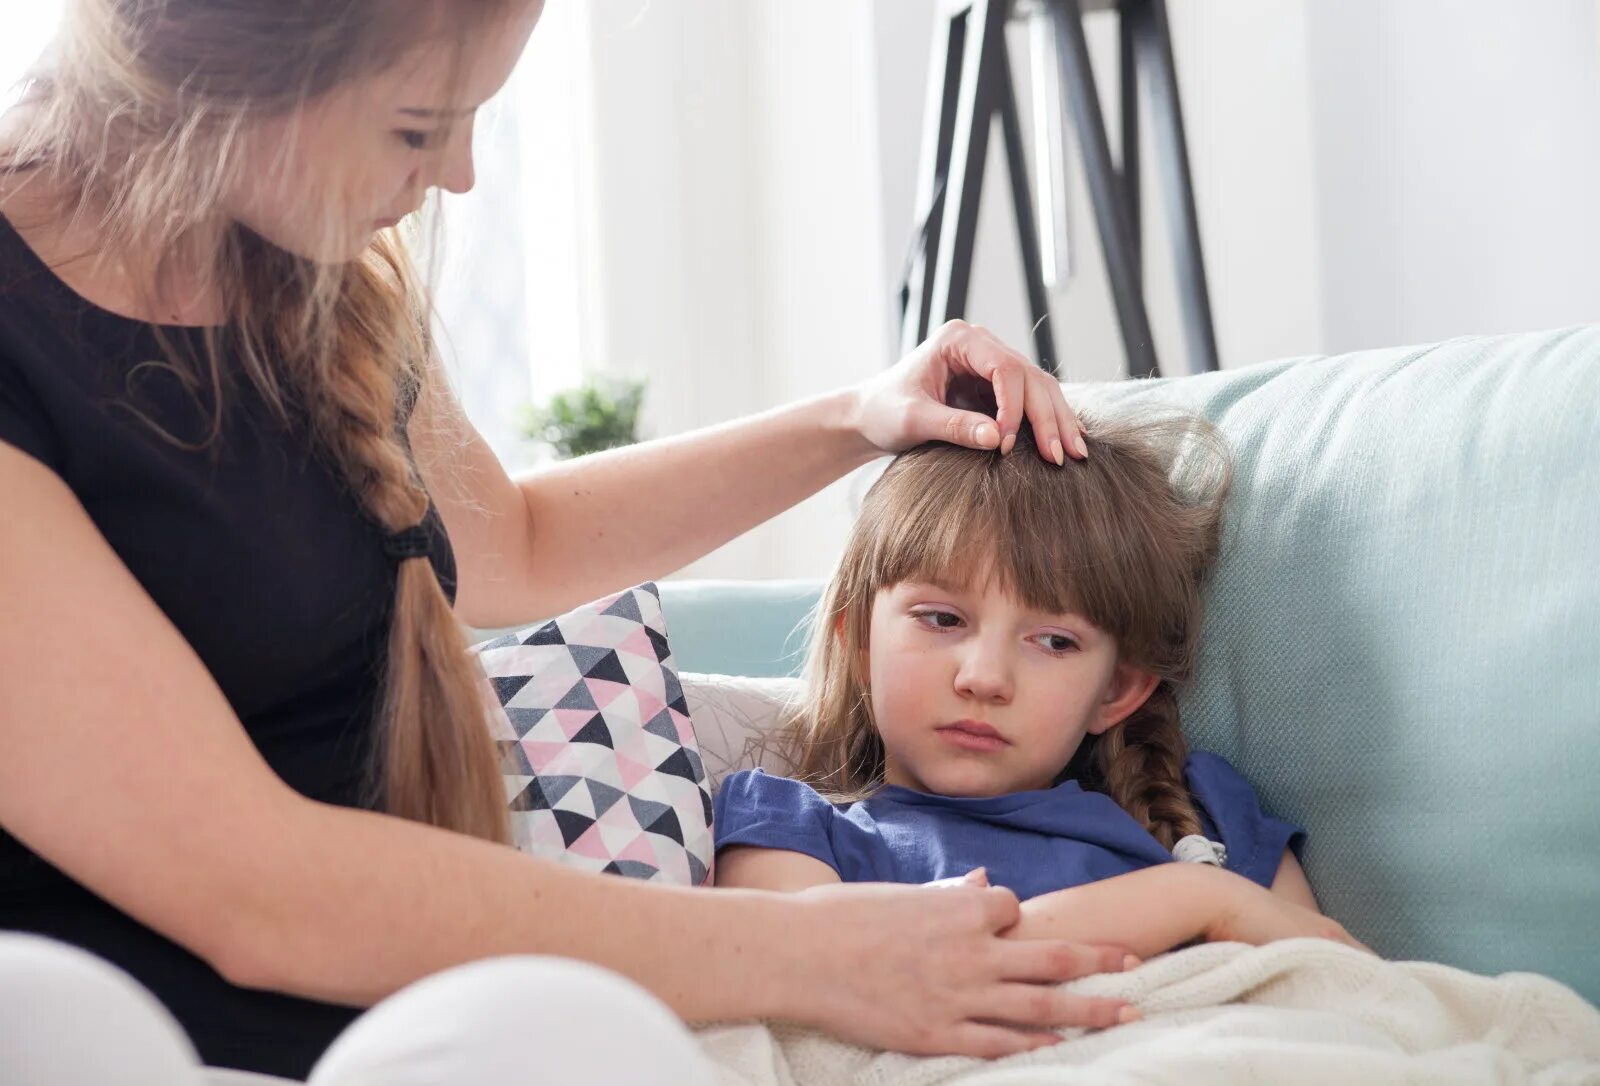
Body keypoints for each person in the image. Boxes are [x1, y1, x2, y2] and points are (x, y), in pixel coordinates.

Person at [0, 1, 1143, 1082]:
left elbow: (522, 547)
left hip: (359, 1029)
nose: (457, 174)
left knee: (560, 1027)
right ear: (227, 66)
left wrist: (856, 419)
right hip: (105, 1022)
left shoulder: (305, 271)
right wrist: (820, 952)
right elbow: (251, 887)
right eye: (418, 126)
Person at [713, 408, 1372, 961]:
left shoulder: (1207, 813)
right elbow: (825, 967)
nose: (985, 678)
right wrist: (1197, 902)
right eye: (942, 619)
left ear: (1117, 691)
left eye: (1054, 642)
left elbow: (1342, 989)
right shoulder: (790, 828)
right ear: (858, 641)